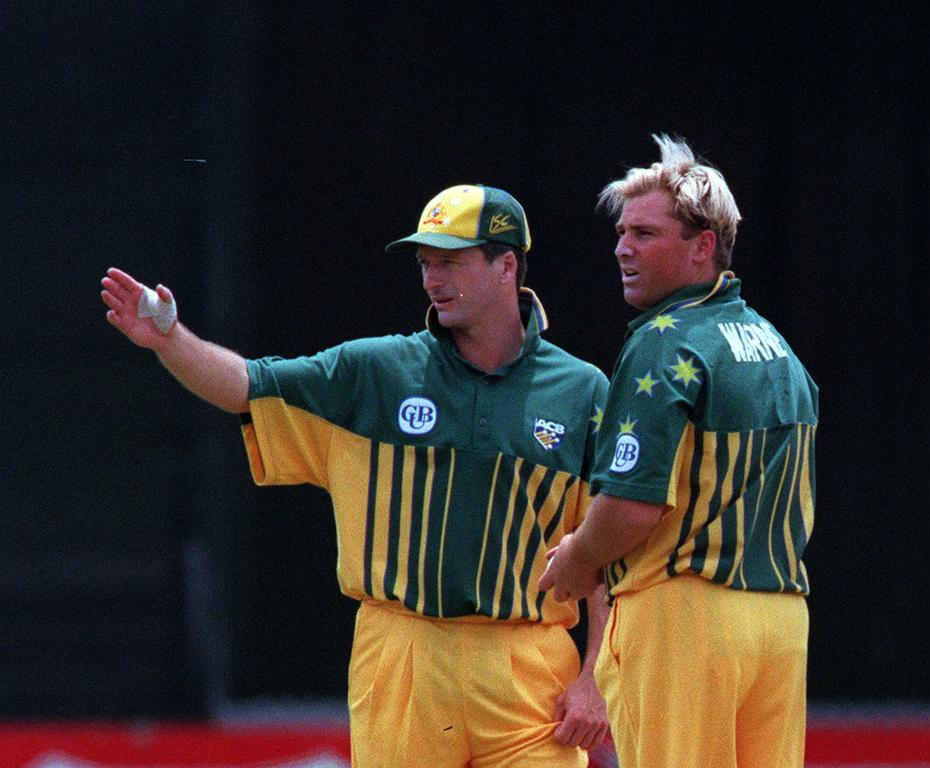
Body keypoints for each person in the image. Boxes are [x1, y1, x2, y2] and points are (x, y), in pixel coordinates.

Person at [101, 184, 611, 767]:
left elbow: (608, 551)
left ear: (507, 266)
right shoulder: (376, 370)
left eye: (450, 261)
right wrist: (168, 340)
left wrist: (594, 678)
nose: (432, 279)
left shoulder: (583, 391)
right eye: (425, 263)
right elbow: (248, 385)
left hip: (531, 665)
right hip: (401, 653)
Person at [539, 136, 819, 768]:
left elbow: (636, 507)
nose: (621, 248)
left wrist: (580, 559)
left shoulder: (664, 344)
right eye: (620, 232)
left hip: (685, 620)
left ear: (703, 245)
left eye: (644, 232)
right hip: (780, 623)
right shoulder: (778, 348)